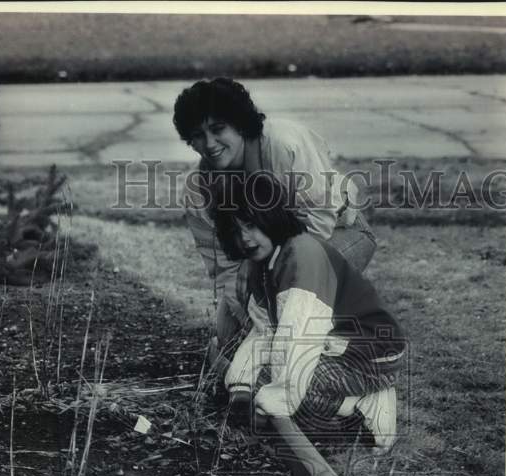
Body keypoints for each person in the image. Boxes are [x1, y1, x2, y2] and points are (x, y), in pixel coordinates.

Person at [173, 78, 376, 361]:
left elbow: (320, 221)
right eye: (197, 135)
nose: (209, 144)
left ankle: (332, 351)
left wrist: (266, 283)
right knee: (228, 341)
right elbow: (222, 266)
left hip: (338, 234)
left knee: (287, 309)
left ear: (240, 123)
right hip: (260, 259)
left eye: (218, 129)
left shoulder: (283, 143)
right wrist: (243, 308)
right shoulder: (198, 188)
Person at [212, 173, 405, 450]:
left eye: (251, 224)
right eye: (234, 230)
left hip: (370, 356)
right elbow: (264, 330)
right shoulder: (263, 263)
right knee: (250, 379)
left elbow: (299, 340)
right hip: (333, 343)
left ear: (271, 215)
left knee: (277, 388)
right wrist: (240, 386)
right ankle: (343, 400)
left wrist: (271, 403)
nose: (244, 238)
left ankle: (363, 404)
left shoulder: (302, 257)